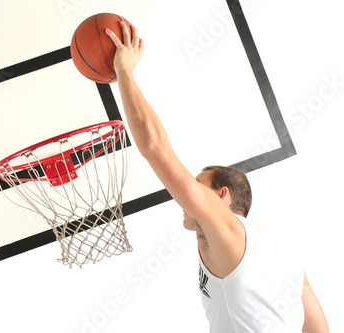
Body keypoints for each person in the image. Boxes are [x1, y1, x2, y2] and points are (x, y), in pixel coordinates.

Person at [105, 21, 329, 332]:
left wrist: (125, 72)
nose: (185, 196)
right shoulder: (285, 256)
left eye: (197, 187)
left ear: (222, 196)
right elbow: (318, 328)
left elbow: (155, 147)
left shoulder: (227, 231)